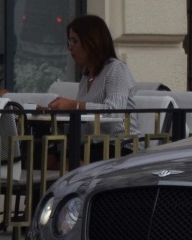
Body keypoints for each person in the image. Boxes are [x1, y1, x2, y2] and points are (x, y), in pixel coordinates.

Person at [44, 14, 141, 161]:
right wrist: (50, 113)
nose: (70, 48)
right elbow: (85, 120)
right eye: (69, 41)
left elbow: (114, 113)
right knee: (43, 155)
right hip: (95, 146)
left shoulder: (116, 69)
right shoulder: (86, 76)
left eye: (74, 41)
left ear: (92, 41)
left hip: (121, 147)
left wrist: (73, 105)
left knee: (64, 160)